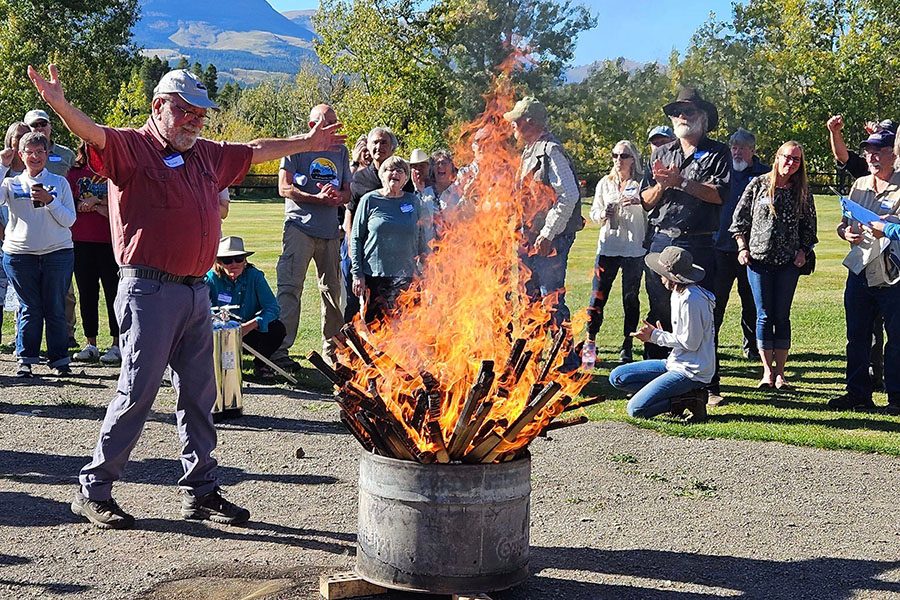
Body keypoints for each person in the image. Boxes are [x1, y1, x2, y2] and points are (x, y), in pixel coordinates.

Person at [28, 64, 345, 529]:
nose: (195, 121)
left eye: (201, 115)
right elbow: (93, 133)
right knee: (137, 392)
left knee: (201, 393)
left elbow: (255, 149)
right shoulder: (132, 147)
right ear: (159, 106)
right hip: (148, 290)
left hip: (197, 293)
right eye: (185, 111)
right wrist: (60, 104)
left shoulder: (204, 154)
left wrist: (306, 142)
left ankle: (201, 491)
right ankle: (92, 488)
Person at [640, 87, 730, 360]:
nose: (681, 116)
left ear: (702, 117)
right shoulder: (661, 154)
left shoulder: (718, 152)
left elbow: (719, 194)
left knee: (700, 310)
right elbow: (645, 200)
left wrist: (681, 182)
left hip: (698, 242)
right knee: (659, 308)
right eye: (676, 112)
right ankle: (654, 376)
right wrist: (662, 185)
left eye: (688, 111)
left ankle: (705, 384)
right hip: (661, 239)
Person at [503, 96, 583, 370]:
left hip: (548, 242)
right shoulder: (530, 151)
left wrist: (548, 232)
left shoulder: (551, 151)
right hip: (528, 240)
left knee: (551, 300)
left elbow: (569, 195)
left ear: (530, 122)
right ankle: (533, 362)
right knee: (529, 300)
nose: (512, 126)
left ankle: (568, 364)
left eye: (516, 121)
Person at [730, 141, 817, 390]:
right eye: (787, 157)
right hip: (757, 261)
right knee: (764, 315)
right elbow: (739, 221)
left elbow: (810, 227)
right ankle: (767, 372)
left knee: (782, 315)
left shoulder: (801, 190)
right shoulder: (758, 184)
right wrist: (742, 248)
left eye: (796, 160)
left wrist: (803, 251)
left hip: (788, 262)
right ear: (777, 157)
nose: (790, 163)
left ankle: (781, 373)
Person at [272, 104, 349, 371]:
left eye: (333, 121)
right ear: (310, 125)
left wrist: (339, 197)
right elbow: (284, 187)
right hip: (299, 227)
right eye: (324, 122)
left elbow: (347, 192)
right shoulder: (295, 146)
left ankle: (335, 352)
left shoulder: (341, 150)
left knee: (332, 292)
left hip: (329, 232)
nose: (329, 126)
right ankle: (280, 351)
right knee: (290, 289)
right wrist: (315, 198)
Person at [828, 130, 900, 415]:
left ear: (893, 154)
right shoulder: (859, 184)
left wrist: (888, 226)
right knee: (856, 337)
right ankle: (857, 393)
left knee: (896, 338)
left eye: (878, 150)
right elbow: (844, 223)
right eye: (868, 151)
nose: (871, 156)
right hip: (860, 269)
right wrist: (845, 232)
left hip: (892, 273)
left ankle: (896, 397)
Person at [608, 246, 714, 422]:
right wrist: (662, 335)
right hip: (676, 363)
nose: (659, 277)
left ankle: (686, 399)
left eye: (662, 273)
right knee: (618, 377)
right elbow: (687, 337)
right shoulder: (678, 294)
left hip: (691, 371)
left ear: (673, 276)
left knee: (636, 409)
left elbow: (691, 343)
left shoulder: (691, 299)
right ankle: (677, 393)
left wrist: (656, 336)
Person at [0, 131, 75, 377]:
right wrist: (2, 166)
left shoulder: (59, 182)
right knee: (29, 307)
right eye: (29, 152)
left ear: (47, 154)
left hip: (57, 253)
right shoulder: (11, 183)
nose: (35, 157)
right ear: (20, 155)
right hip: (20, 255)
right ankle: (26, 360)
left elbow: (69, 220)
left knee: (54, 306)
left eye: (40, 152)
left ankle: (60, 361)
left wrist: (49, 199)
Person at [708, 128, 771, 403]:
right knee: (716, 305)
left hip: (752, 252)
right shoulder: (723, 172)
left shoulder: (764, 175)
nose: (737, 152)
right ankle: (711, 350)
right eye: (733, 147)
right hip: (721, 248)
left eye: (742, 148)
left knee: (752, 303)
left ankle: (752, 347)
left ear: (752, 150)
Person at [584, 140, 646, 367]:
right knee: (597, 296)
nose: (618, 160)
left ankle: (627, 346)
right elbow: (593, 212)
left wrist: (639, 200)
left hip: (633, 248)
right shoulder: (605, 183)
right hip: (608, 247)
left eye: (624, 155)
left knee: (630, 298)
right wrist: (603, 213)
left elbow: (651, 209)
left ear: (633, 159)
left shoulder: (641, 183)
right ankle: (590, 343)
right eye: (615, 155)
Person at [344, 127, 414, 323]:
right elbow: (351, 215)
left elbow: (418, 234)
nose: (379, 146)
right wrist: (352, 252)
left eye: (384, 142)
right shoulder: (361, 183)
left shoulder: (410, 195)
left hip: (403, 271)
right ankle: (352, 351)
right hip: (370, 263)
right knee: (361, 311)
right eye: (375, 142)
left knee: (404, 322)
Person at [349, 156, 426, 323]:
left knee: (408, 327)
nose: (395, 173)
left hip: (407, 277)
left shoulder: (413, 201)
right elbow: (356, 238)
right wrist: (357, 274)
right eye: (390, 169)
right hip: (376, 276)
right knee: (377, 327)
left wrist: (427, 269)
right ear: (382, 175)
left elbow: (421, 238)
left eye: (400, 170)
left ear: (406, 178)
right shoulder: (369, 200)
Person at [25, 109, 78, 347]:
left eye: (42, 124)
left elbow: (78, 184)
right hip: (28, 229)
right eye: (34, 125)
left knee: (64, 291)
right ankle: (27, 344)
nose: (39, 128)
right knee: (30, 296)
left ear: (50, 126)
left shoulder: (66, 155)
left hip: (60, 226)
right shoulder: (21, 154)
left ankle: (67, 336)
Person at [67, 141, 121, 364]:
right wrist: (86, 204)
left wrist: (97, 201)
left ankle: (117, 344)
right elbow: (69, 202)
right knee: (87, 293)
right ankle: (91, 344)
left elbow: (121, 203)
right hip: (81, 240)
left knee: (114, 294)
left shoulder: (114, 172)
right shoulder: (75, 172)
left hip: (110, 241)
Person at [206, 236, 284, 379]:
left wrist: (251, 325)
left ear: (245, 260)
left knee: (277, 329)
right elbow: (201, 310)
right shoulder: (210, 279)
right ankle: (212, 366)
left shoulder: (255, 276)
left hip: (249, 332)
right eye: (228, 260)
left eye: (239, 259)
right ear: (219, 262)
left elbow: (272, 308)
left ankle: (261, 364)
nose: (234, 264)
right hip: (219, 333)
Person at [420, 150, 461, 241]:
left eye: (444, 163)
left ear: (452, 167)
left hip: (455, 248)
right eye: (436, 163)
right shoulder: (425, 194)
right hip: (429, 250)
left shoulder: (460, 193)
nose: (440, 166)